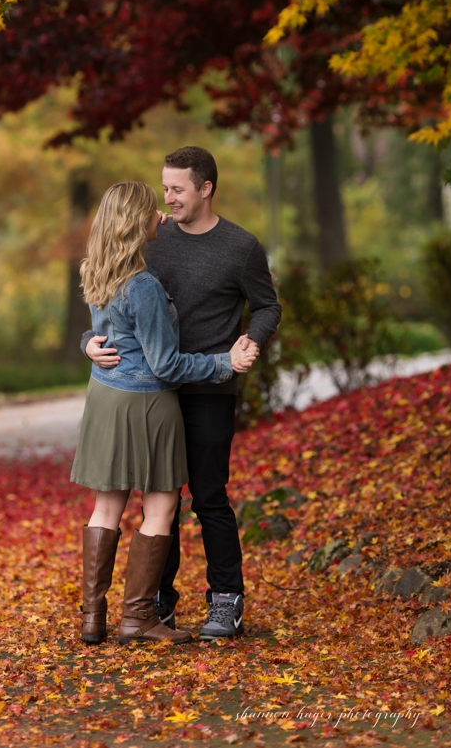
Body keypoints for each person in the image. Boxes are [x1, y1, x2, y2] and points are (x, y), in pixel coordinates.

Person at [84, 146, 280, 639]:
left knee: (208, 496)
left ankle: (225, 601)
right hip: (157, 391)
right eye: (164, 187)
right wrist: (88, 342)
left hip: (210, 388)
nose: (167, 198)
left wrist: (251, 343)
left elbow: (267, 306)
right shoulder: (152, 239)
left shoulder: (241, 247)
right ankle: (157, 603)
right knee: (160, 497)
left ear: (206, 188)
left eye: (177, 189)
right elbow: (110, 298)